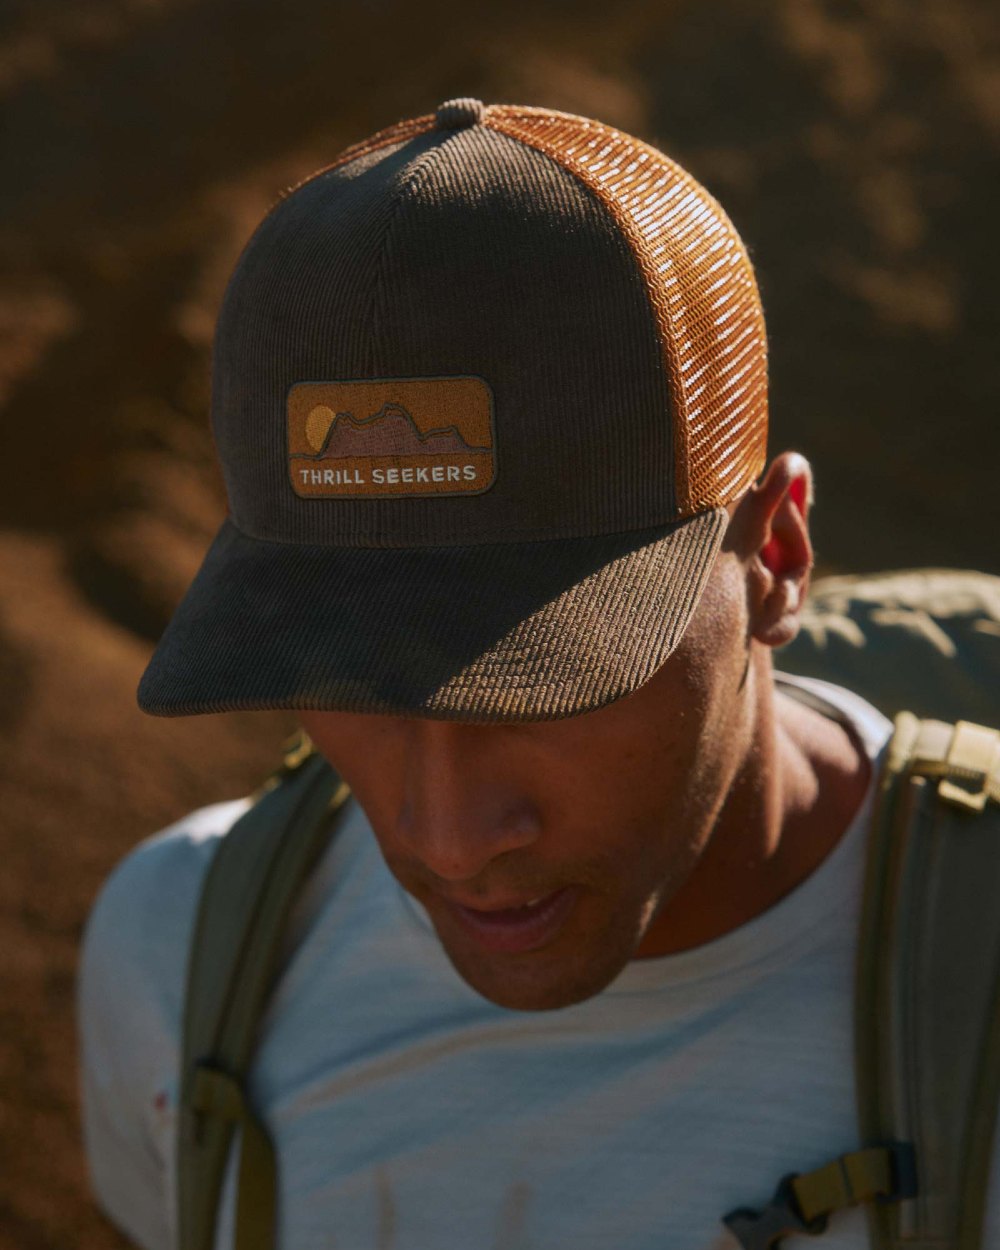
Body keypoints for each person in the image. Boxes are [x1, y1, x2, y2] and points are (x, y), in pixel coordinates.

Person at [77, 98, 1000, 1249]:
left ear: (773, 553)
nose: (453, 837)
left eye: (548, 680)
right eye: (359, 683)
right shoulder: (187, 952)